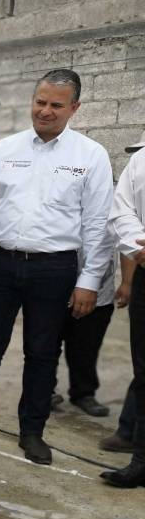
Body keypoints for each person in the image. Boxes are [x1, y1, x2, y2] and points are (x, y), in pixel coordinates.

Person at [0, 69, 114, 467]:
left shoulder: (91, 156)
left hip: (55, 270)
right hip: (1, 263)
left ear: (74, 108)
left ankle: (32, 431)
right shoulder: (4, 149)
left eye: (56, 105)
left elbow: (98, 225)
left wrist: (88, 282)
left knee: (42, 352)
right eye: (40, 102)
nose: (45, 111)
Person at [103, 129, 145, 487]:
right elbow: (123, 212)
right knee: (144, 373)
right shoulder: (140, 161)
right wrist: (138, 245)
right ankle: (141, 460)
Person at [49, 247, 125, 418]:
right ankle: (44, 390)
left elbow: (127, 239)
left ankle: (83, 393)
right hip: (53, 283)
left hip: (99, 291)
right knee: (46, 345)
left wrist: (127, 281)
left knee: (86, 347)